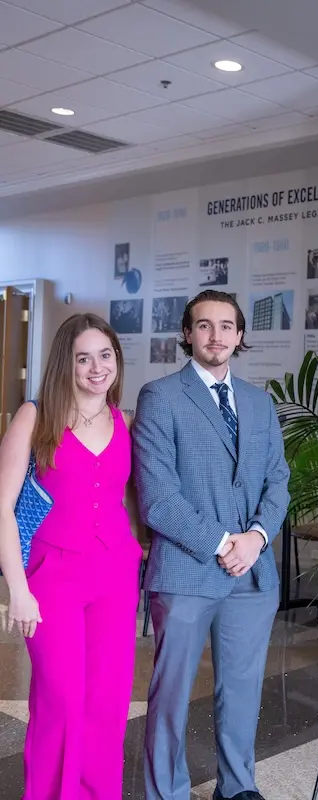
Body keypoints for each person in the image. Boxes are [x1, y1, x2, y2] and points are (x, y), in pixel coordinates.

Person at [133, 289, 290, 800]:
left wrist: (257, 538)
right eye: (204, 325)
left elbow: (277, 481)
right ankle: (166, 792)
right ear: (187, 333)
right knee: (171, 696)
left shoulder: (259, 402)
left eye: (226, 326)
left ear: (240, 335)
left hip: (252, 575)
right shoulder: (160, 397)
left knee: (242, 693)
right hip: (186, 572)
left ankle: (238, 788)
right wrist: (225, 542)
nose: (216, 335)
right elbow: (158, 498)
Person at [0, 313, 142, 799]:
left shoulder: (124, 421)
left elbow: (133, 500)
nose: (97, 367)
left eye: (106, 356)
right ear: (67, 362)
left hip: (115, 577)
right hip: (52, 577)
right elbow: (2, 507)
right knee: (60, 699)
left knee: (106, 702)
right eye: (84, 357)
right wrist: (17, 589)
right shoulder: (34, 416)